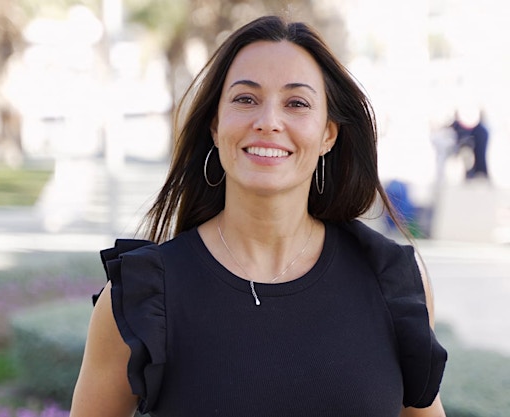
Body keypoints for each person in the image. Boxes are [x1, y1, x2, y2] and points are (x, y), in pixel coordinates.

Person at [70, 15, 447, 417]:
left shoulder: (391, 281)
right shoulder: (145, 295)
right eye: (245, 99)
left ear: (328, 134)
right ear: (215, 125)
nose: (268, 121)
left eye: (297, 103)